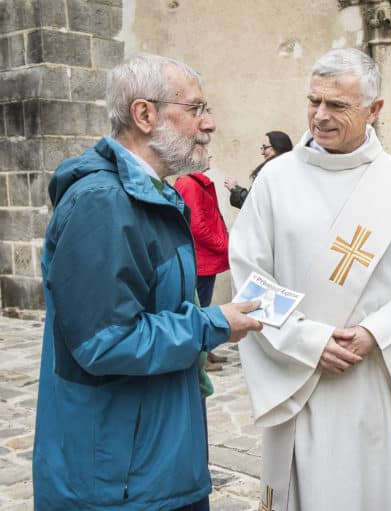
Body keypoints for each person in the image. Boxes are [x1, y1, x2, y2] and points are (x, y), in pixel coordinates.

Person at [33, 53, 263, 511]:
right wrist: (211, 325)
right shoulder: (102, 203)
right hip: (116, 479)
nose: (210, 123)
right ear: (144, 114)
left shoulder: (150, 194)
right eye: (196, 109)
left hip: (154, 456)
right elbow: (105, 341)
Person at [229, 48, 391, 511]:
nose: (320, 116)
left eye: (337, 106)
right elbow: (251, 278)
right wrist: (306, 339)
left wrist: (375, 332)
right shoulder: (275, 179)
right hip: (301, 375)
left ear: (375, 109)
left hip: (375, 379)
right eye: (314, 101)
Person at [174, 161, 231, 371]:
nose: (209, 156)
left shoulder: (196, 183)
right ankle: (199, 358)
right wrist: (221, 244)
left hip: (205, 257)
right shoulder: (189, 184)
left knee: (204, 305)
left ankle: (205, 351)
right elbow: (197, 225)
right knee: (198, 309)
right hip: (201, 257)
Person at [224, 130, 293, 208]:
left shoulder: (272, 171)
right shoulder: (291, 169)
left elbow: (254, 205)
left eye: (264, 147)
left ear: (277, 146)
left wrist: (235, 189)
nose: (262, 153)